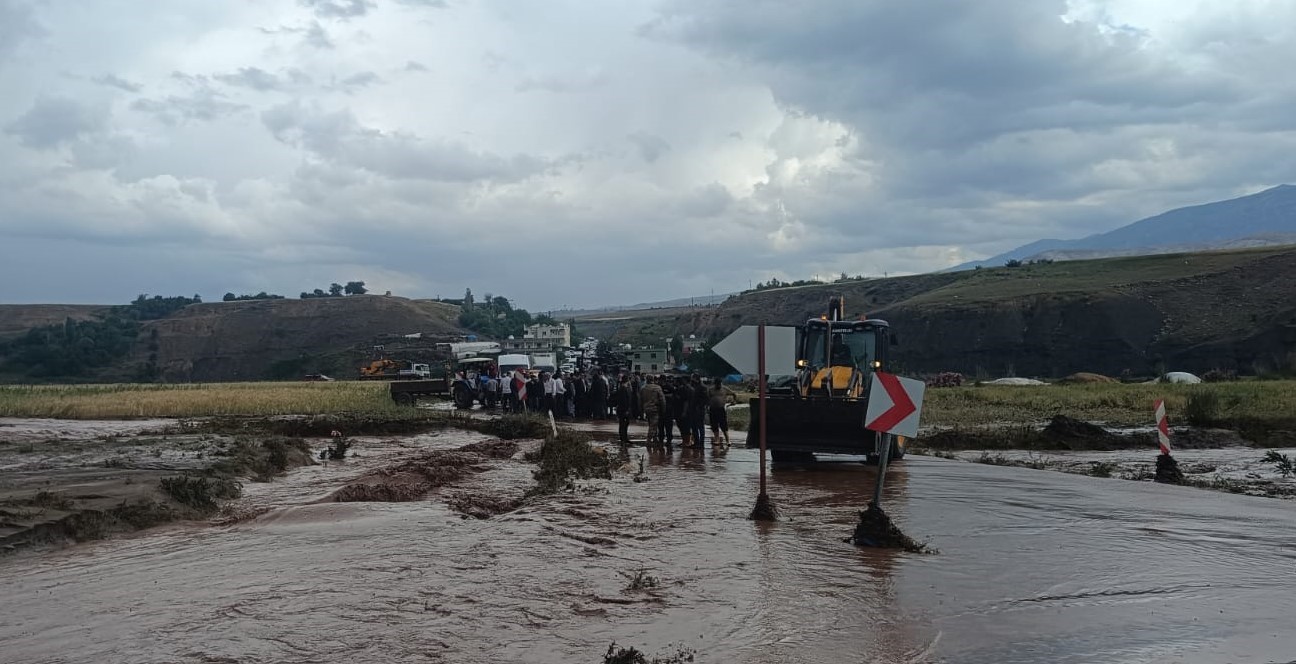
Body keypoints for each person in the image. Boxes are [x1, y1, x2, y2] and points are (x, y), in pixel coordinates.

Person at [708, 377, 737, 447]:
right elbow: (707, 397)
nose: (718, 386)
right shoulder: (710, 389)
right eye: (717, 384)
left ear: (721, 383)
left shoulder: (725, 389)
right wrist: (707, 405)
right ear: (715, 384)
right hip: (712, 409)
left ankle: (728, 440)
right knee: (714, 424)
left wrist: (734, 401)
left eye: (719, 384)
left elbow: (734, 394)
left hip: (721, 409)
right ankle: (717, 439)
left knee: (723, 424)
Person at [639, 375, 668, 448]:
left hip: (646, 409)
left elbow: (640, 400)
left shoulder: (643, 388)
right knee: (653, 425)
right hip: (655, 408)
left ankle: (655, 438)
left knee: (651, 424)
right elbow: (662, 400)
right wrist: (664, 409)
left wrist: (641, 410)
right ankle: (649, 440)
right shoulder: (657, 388)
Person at [671, 376, 693, 447]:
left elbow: (685, 401)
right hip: (678, 411)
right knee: (681, 426)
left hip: (683, 411)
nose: (673, 382)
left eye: (675, 381)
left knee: (685, 427)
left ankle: (688, 441)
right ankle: (684, 441)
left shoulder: (684, 389)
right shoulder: (678, 389)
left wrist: (684, 411)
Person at [689, 374, 709, 448]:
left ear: (695, 378)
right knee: (694, 426)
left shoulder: (702, 387)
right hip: (693, 409)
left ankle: (701, 443)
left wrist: (700, 406)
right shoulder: (693, 386)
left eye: (692, 378)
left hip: (699, 410)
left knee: (700, 426)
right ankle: (696, 442)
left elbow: (706, 399)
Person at [614, 374, 635, 445]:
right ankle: (623, 439)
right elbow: (623, 401)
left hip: (625, 410)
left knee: (625, 424)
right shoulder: (623, 389)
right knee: (623, 424)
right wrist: (626, 410)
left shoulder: (624, 388)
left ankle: (625, 438)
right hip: (623, 410)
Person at [658, 376, 675, 446]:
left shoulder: (670, 387)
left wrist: (664, 396)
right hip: (660, 409)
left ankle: (669, 439)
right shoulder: (658, 387)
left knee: (668, 425)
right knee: (660, 425)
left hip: (669, 409)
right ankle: (661, 439)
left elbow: (673, 396)